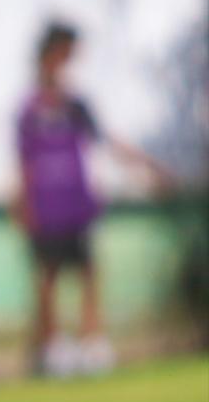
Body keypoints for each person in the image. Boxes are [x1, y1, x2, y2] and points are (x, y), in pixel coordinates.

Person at [15, 21, 172, 377]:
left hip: (76, 203)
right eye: (65, 56)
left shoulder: (77, 106)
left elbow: (108, 142)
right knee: (48, 276)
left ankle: (91, 342)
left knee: (88, 272)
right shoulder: (30, 109)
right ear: (50, 57)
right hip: (46, 205)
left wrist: (149, 167)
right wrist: (24, 205)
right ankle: (52, 347)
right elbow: (23, 162)